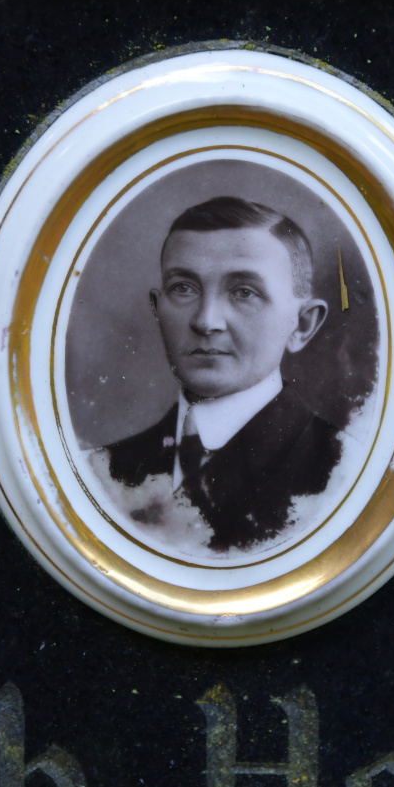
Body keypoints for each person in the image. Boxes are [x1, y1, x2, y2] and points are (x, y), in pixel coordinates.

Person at [98, 196, 342, 554]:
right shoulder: (101, 471)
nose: (206, 321)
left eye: (244, 292)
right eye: (183, 288)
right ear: (157, 308)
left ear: (302, 324)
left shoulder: (344, 471)